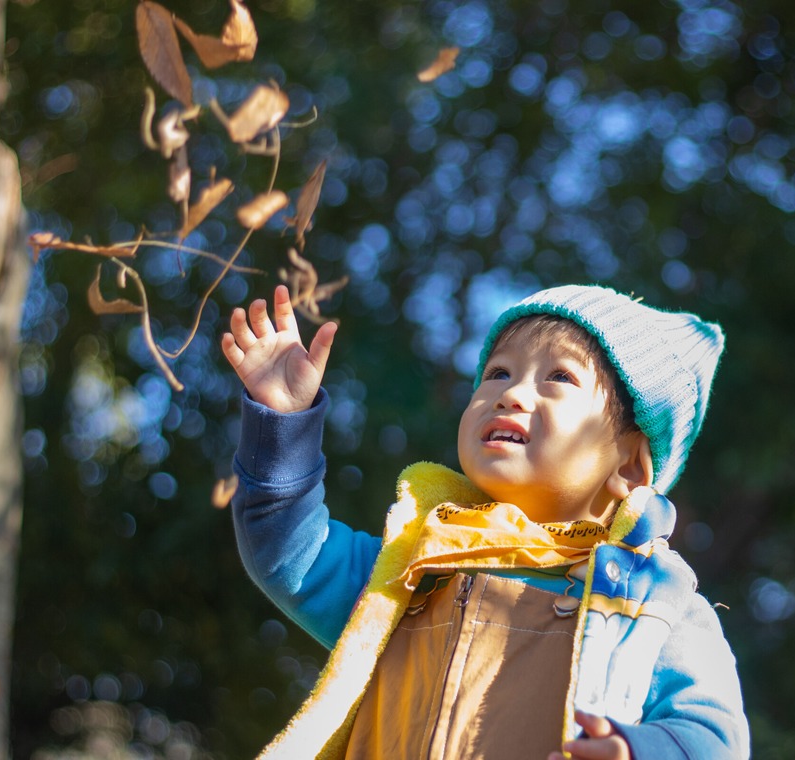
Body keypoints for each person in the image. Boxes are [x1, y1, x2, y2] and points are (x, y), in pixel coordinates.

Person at [222, 283, 750, 760]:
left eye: (560, 377)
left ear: (631, 466)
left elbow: (713, 737)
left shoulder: (654, 605)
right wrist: (283, 424)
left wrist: (637, 752)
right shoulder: (410, 569)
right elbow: (288, 552)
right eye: (499, 372)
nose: (511, 393)